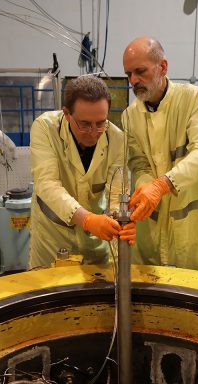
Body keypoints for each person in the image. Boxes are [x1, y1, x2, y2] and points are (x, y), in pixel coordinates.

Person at [118, 36, 198, 272]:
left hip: (190, 221)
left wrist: (162, 184)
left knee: (194, 287)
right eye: (128, 74)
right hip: (152, 222)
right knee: (150, 284)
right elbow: (138, 163)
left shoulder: (195, 99)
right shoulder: (129, 116)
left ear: (162, 67)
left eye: (140, 71)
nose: (133, 80)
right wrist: (146, 187)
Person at [29, 75, 125, 269]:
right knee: (49, 285)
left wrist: (119, 223)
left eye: (101, 123)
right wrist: (87, 220)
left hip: (93, 239)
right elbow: (47, 184)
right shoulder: (45, 128)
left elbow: (116, 194)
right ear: (66, 113)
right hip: (52, 237)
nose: (94, 132)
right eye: (85, 124)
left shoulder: (117, 138)